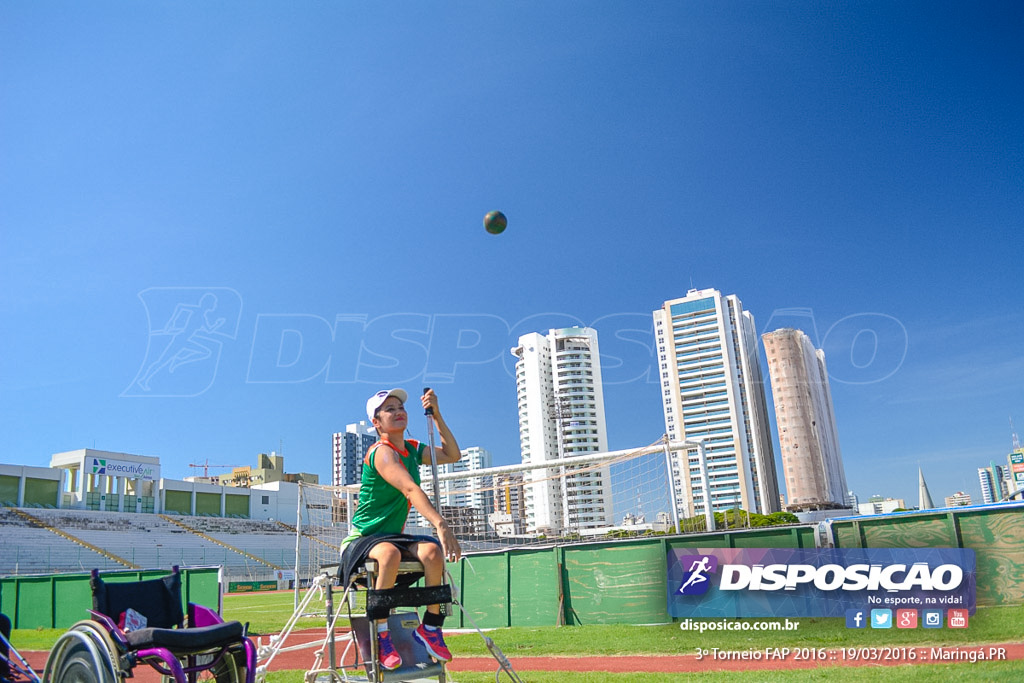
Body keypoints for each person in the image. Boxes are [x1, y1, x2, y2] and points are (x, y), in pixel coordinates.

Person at [340, 388, 462, 671]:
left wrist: (438, 415)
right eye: (389, 409)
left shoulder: (414, 449)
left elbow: (452, 454)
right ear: (377, 422)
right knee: (390, 555)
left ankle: (430, 628)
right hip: (363, 538)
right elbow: (409, 487)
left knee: (432, 551)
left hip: (393, 537)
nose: (398, 411)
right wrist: (440, 523)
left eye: (400, 407)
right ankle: (381, 633)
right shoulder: (381, 453)